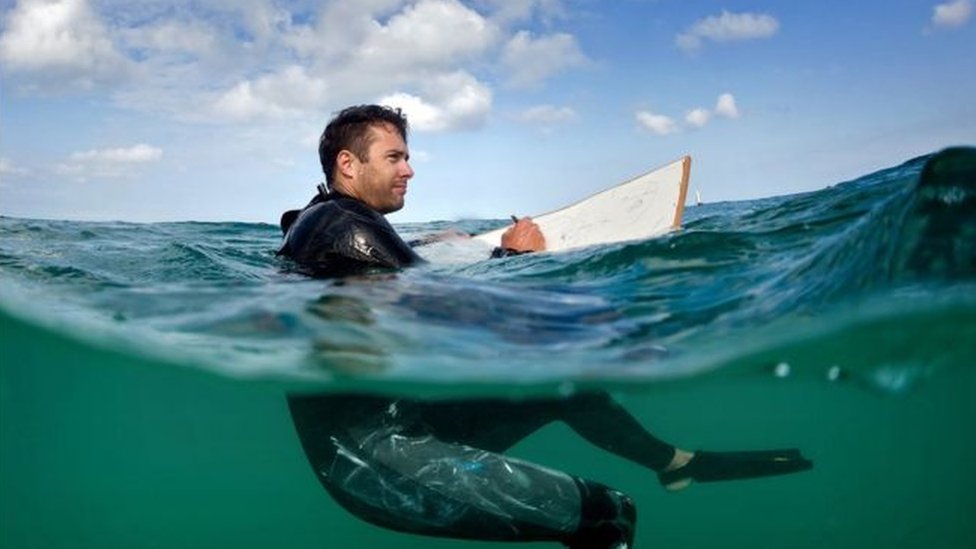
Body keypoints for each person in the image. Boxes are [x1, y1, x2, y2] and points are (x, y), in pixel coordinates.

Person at [280, 105, 813, 548]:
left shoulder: (330, 219)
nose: (409, 170)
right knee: (609, 513)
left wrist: (435, 248)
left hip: (413, 421)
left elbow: (378, 272)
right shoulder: (345, 228)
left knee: (563, 387)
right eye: (395, 157)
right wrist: (511, 259)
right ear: (348, 165)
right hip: (376, 460)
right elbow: (451, 312)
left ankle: (675, 463)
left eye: (408, 157)